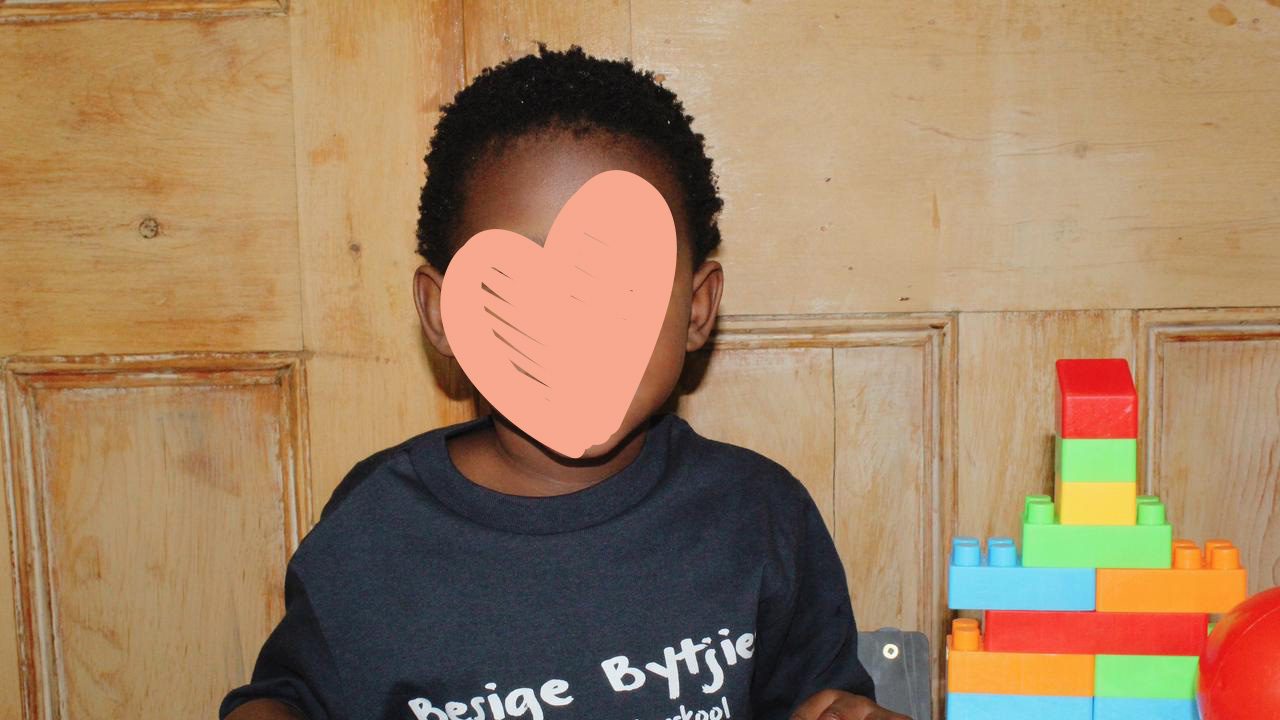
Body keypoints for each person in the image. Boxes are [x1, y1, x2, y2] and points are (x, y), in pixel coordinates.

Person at [220, 43, 907, 720]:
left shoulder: (759, 515)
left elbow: (821, 700)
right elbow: (291, 697)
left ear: (696, 309)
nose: (570, 332)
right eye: (514, 287)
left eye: (616, 287)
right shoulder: (377, 528)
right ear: (444, 314)